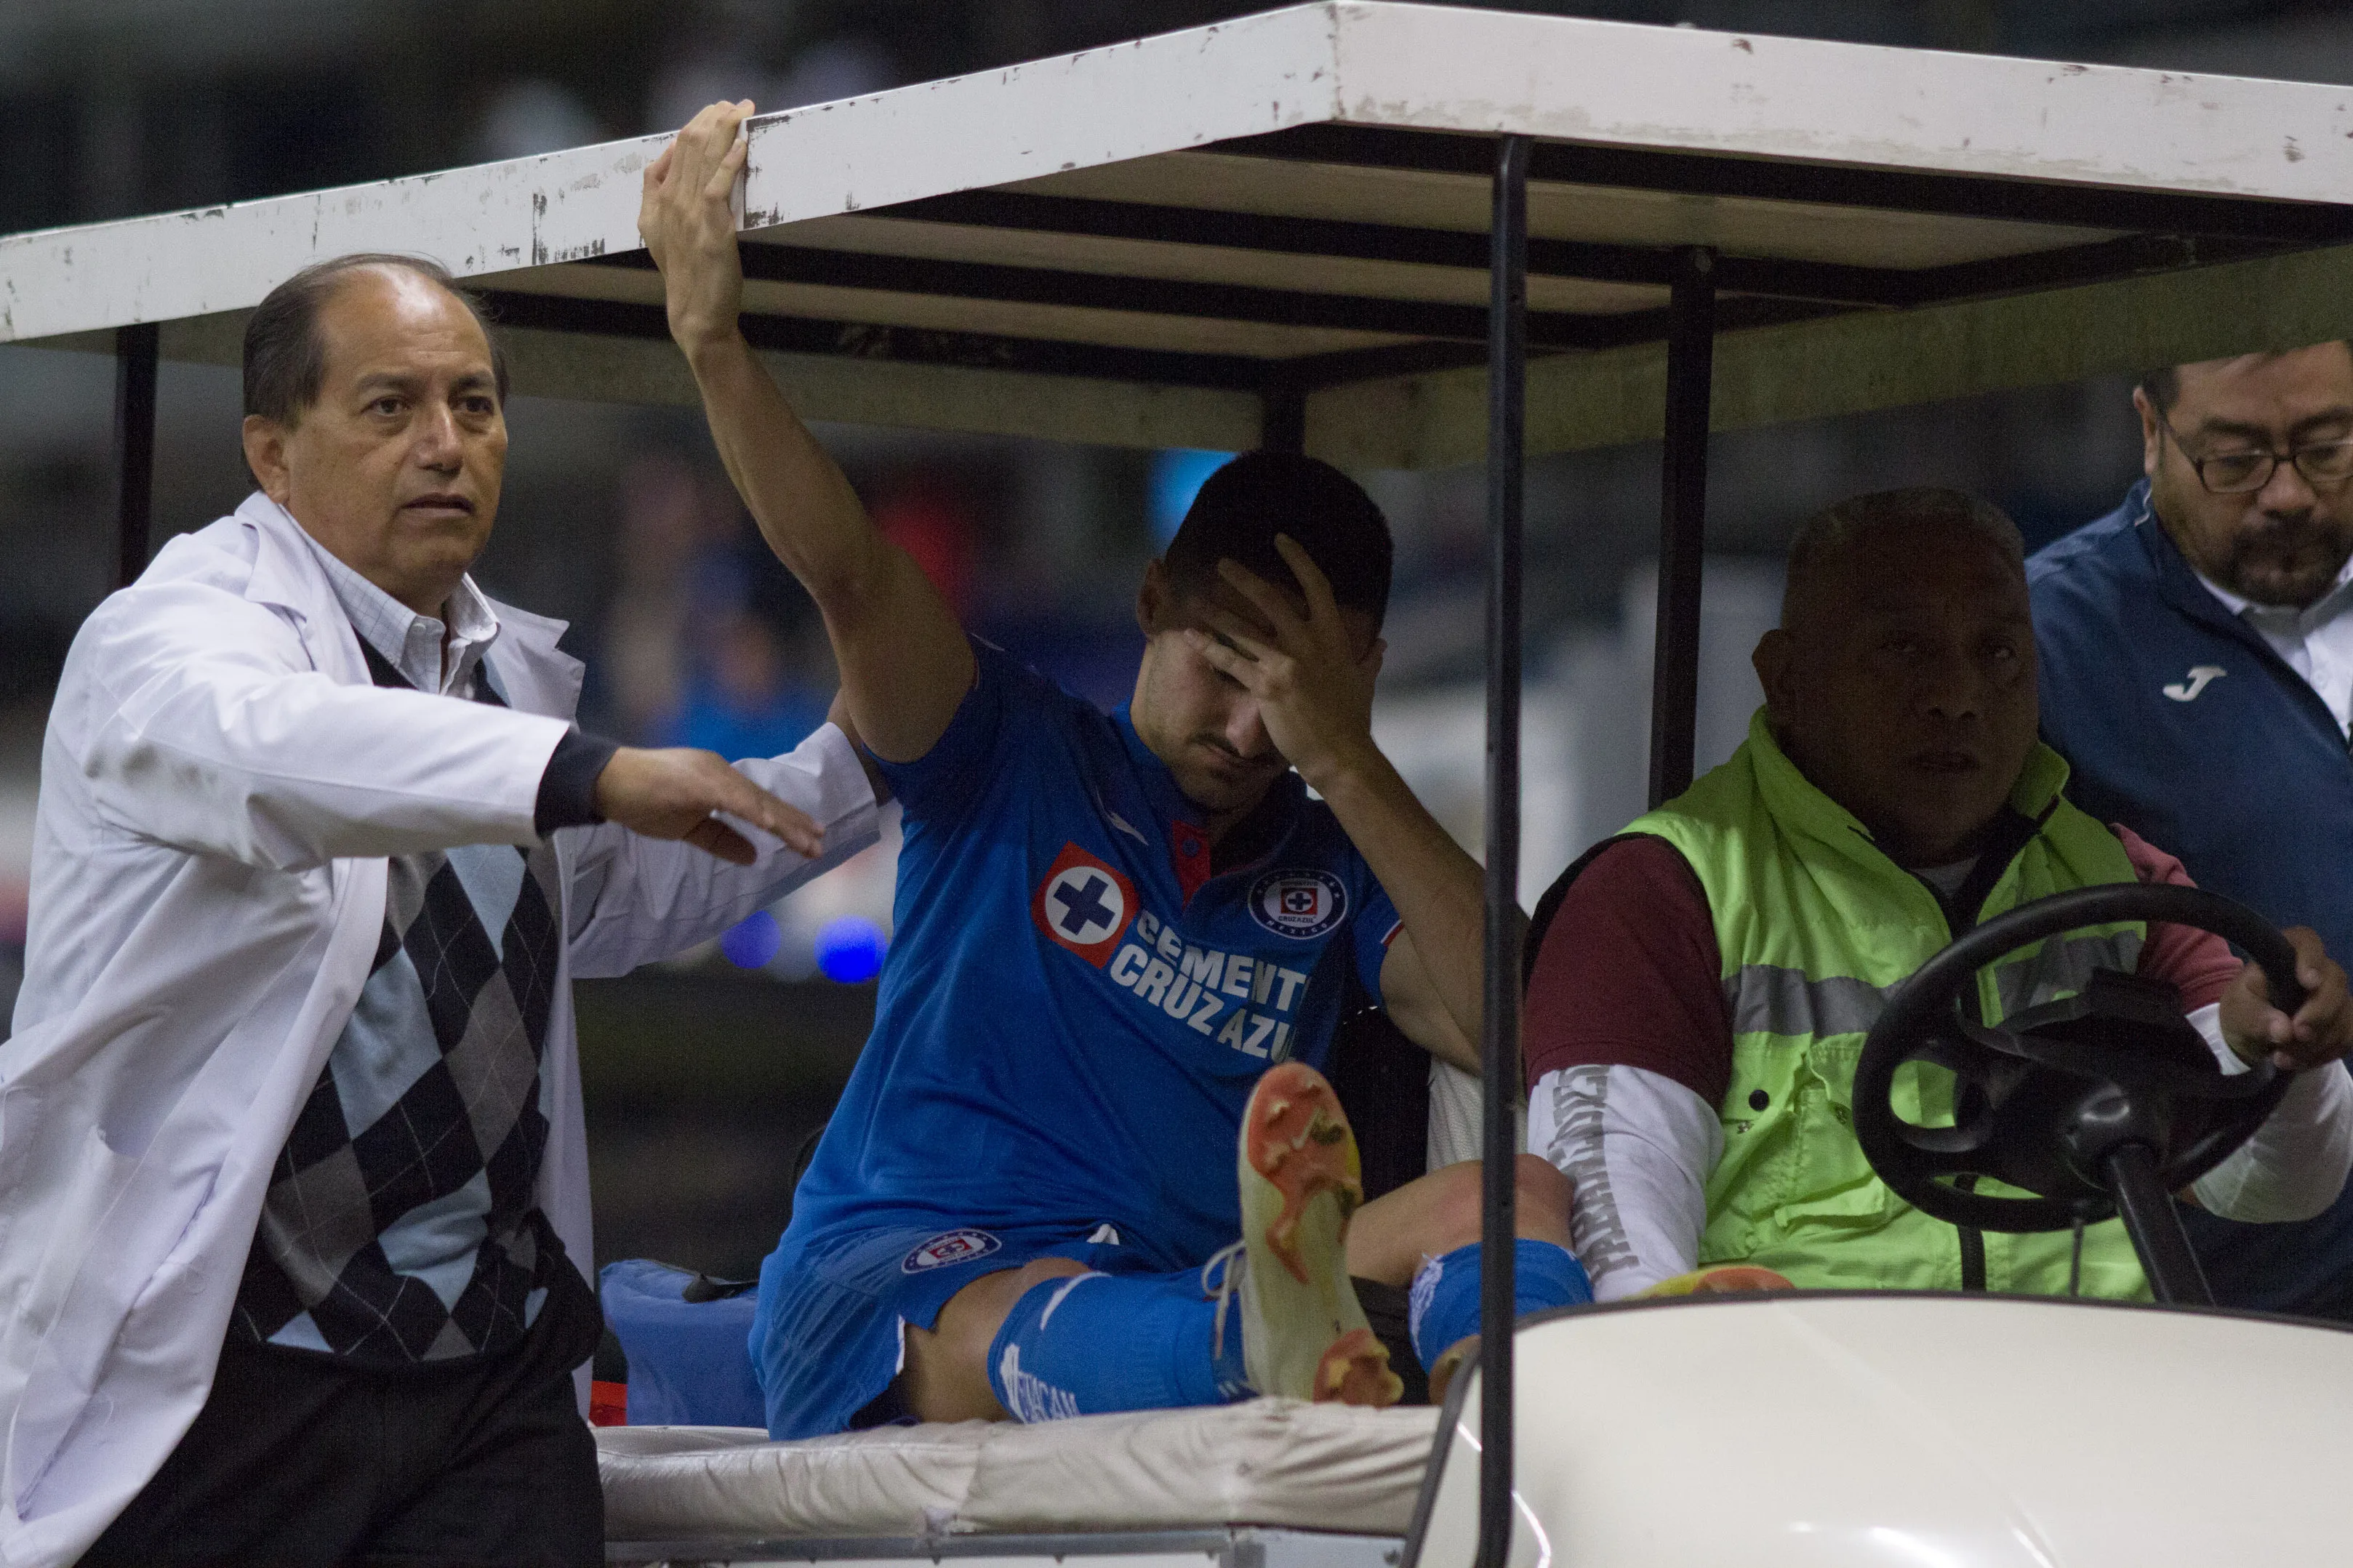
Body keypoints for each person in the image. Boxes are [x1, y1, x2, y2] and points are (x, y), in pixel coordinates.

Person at [639, 102, 1590, 1438]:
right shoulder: (1002, 739)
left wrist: (1345, 759)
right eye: (1223, 664)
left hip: (1183, 1292)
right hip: (898, 1283)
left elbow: (1533, 1036)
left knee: (1516, 1194)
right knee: (1024, 1306)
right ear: (1150, 601)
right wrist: (711, 340)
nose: (1245, 730)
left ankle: (1562, 1405)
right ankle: (1255, 1343)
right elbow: (849, 573)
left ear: (1358, 674)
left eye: (1290, 693)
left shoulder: (1335, 860)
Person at [0, 254, 881, 1568]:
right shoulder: (169, 640)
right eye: (389, 406)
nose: (444, 444)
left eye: (475, 404)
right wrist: (586, 771)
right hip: (231, 1371)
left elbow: (619, 886)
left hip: (486, 1372)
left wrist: (868, 768)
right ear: (271, 452)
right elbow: (280, 754)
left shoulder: (503, 678)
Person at [1523, 487, 2353, 1302]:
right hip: (1796, 1385)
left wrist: (2278, 1052)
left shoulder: (2118, 883)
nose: (1957, 696)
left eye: (1998, 654)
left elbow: (2279, 1187)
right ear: (1785, 678)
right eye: (1902, 650)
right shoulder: (1660, 896)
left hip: (2092, 1380)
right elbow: (1625, 1265)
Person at [2029, 342, 2353, 1319]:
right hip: (2222, 1295)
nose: (2287, 494)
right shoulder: (2045, 642)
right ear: (2150, 430)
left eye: (2327, 447)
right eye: (2235, 459)